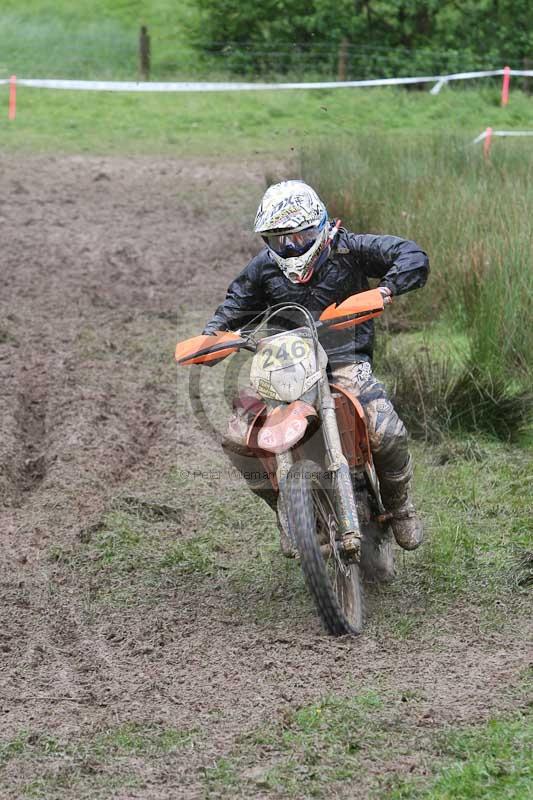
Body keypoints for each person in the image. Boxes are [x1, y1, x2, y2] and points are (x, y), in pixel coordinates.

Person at [202, 180, 429, 552]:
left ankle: (401, 506)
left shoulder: (351, 249)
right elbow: (235, 304)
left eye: (300, 236)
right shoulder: (263, 268)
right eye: (279, 240)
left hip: (345, 359)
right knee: (238, 438)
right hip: (285, 367)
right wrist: (213, 335)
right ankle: (285, 509)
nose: (291, 246)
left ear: (320, 225)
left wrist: (385, 289)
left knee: (385, 430)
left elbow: (410, 254)